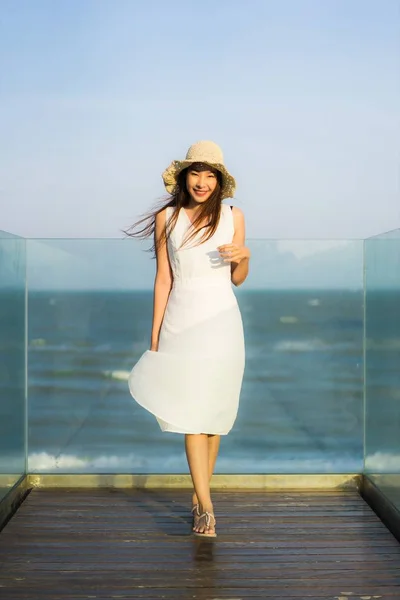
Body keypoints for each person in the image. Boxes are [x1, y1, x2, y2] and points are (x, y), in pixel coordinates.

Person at [126, 140, 250, 537]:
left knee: (213, 417)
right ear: (184, 176)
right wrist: (155, 333)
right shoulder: (167, 218)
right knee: (191, 414)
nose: (202, 181)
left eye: (210, 174)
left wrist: (244, 257)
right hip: (181, 320)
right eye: (196, 173)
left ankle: (200, 496)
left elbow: (238, 279)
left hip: (223, 320)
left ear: (219, 180)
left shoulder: (234, 216)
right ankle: (206, 509)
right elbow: (164, 278)